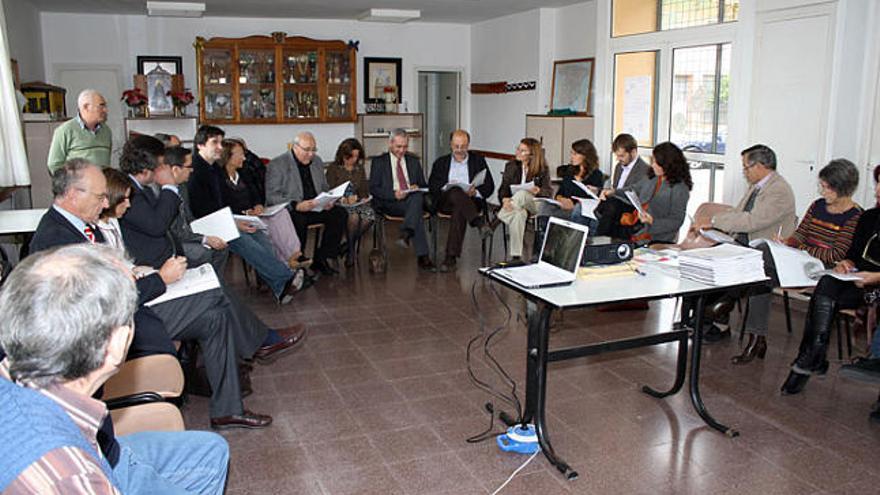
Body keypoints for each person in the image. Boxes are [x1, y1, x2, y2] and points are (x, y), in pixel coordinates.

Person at [0, 244, 230, 494]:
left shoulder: (11, 371)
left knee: (211, 450)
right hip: (95, 464)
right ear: (118, 343)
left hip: (101, 449)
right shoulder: (74, 478)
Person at [732, 159, 862, 365]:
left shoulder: (855, 217)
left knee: (761, 269)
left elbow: (836, 254)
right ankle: (756, 338)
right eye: (822, 186)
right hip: (801, 260)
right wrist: (787, 242)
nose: (822, 191)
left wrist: (800, 249)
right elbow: (800, 234)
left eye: (827, 187)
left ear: (843, 189)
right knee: (762, 265)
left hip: (823, 269)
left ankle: (733, 308)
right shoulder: (818, 206)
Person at [781, 168, 880, 394]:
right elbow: (852, 254)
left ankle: (808, 361)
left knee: (825, 295)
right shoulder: (870, 218)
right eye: (877, 183)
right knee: (827, 284)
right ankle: (814, 354)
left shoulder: (855, 214)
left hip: (875, 286)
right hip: (857, 279)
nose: (877, 190)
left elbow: (835, 252)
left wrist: (875, 277)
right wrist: (846, 263)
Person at [688, 144, 798, 342]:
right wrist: (714, 228)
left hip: (764, 252)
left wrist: (713, 221)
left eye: (746, 167)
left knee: (724, 265)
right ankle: (699, 320)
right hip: (744, 245)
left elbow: (752, 221)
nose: (744, 172)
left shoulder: (779, 190)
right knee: (703, 260)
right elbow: (738, 213)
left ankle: (711, 322)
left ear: (760, 166)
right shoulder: (757, 187)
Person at [184, 127, 303, 303]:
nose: (219, 147)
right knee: (241, 238)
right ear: (200, 145)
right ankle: (285, 276)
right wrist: (232, 222)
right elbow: (202, 211)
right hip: (204, 225)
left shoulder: (214, 169)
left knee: (258, 234)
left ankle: (280, 288)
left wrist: (237, 218)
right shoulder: (195, 171)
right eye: (214, 143)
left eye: (220, 143)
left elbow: (223, 203)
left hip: (220, 220)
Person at [217, 138, 310, 270]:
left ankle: (294, 255)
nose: (244, 158)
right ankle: (285, 265)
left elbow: (255, 193)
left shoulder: (244, 172)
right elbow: (221, 205)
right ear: (228, 157)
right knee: (269, 231)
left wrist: (258, 205)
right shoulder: (218, 179)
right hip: (237, 219)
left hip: (254, 214)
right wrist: (245, 212)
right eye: (240, 155)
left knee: (281, 214)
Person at [266, 131, 348, 275]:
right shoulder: (278, 164)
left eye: (313, 150)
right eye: (307, 150)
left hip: (315, 206)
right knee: (298, 219)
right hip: (293, 209)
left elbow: (324, 188)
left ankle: (321, 258)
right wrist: (296, 204)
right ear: (295, 147)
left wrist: (328, 199)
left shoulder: (316, 161)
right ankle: (298, 263)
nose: (311, 154)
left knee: (339, 214)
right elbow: (272, 196)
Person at [428, 130, 495, 272]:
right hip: (446, 201)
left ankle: (450, 257)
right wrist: (446, 187)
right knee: (455, 191)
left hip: (470, 202)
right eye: (456, 146)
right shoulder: (441, 162)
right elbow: (432, 186)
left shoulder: (478, 161)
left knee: (460, 207)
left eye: (463, 146)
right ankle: (478, 223)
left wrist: (475, 191)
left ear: (468, 145)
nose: (459, 150)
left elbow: (489, 187)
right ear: (450, 145)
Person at [369, 129, 436, 271]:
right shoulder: (379, 162)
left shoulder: (413, 161)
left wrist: (417, 186)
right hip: (390, 202)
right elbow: (374, 188)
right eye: (398, 147)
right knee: (416, 207)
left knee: (416, 198)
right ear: (390, 144)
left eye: (405, 147)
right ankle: (422, 255)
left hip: (410, 200)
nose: (401, 150)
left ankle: (406, 232)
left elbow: (424, 185)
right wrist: (394, 194)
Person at [599, 141, 692, 244]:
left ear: (667, 165)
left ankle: (600, 243)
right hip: (637, 221)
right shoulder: (653, 177)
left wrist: (652, 221)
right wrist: (614, 192)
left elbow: (676, 221)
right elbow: (634, 189)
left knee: (612, 220)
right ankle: (600, 242)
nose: (652, 165)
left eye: (656, 163)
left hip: (652, 231)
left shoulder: (680, 188)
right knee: (611, 203)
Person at [492, 138, 552, 261]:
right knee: (519, 215)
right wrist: (505, 199)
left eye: (522, 150)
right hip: (517, 206)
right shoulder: (511, 166)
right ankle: (516, 257)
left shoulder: (542, 169)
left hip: (535, 204)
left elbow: (549, 192)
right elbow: (503, 189)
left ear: (531, 155)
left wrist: (538, 191)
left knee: (523, 194)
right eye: (518, 149)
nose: (517, 152)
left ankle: (496, 221)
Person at [326, 138, 375, 267]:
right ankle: (351, 253)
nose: (354, 160)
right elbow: (329, 191)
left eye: (357, 156)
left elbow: (364, 190)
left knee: (369, 216)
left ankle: (347, 246)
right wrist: (342, 199)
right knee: (353, 217)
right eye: (351, 157)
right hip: (338, 204)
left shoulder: (359, 169)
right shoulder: (333, 168)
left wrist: (362, 198)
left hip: (356, 203)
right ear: (343, 155)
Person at [540, 139, 604, 233]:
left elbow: (592, 199)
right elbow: (560, 193)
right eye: (571, 153)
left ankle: (574, 241)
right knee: (545, 206)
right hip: (565, 208)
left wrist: (573, 204)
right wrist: (561, 199)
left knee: (578, 209)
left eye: (575, 154)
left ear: (585, 156)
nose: (572, 157)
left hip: (580, 210)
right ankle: (544, 241)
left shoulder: (596, 175)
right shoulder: (569, 172)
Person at [47, 89, 112, 173]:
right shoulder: (65, 130)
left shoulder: (106, 131)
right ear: (86, 107)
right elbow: (54, 165)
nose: (105, 110)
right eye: (101, 106)